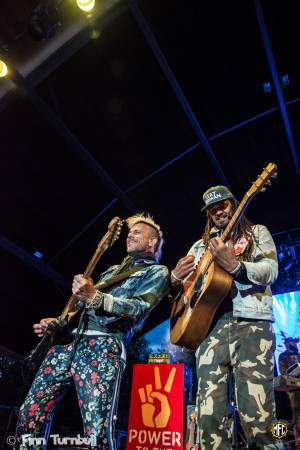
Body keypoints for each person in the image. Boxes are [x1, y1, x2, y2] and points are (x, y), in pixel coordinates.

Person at [15, 213, 169, 450]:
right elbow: (82, 307)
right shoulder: (111, 271)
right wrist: (58, 322)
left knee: (96, 429)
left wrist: (95, 296)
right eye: (129, 232)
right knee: (29, 415)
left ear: (152, 242)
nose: (130, 235)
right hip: (66, 344)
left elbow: (139, 307)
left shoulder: (157, 272)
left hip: (103, 346)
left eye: (137, 232)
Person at [170, 185, 279, 450]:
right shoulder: (198, 246)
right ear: (208, 214)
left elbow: (271, 270)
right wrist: (174, 279)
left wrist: (235, 266)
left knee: (259, 413)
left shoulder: (256, 232)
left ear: (235, 204)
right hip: (208, 330)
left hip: (251, 325)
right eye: (212, 208)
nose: (218, 210)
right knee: (208, 414)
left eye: (223, 204)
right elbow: (187, 288)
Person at [278, 337, 300, 449]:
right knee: (297, 415)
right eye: (292, 342)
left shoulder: (299, 355)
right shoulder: (283, 356)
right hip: (293, 389)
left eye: (295, 342)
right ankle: (298, 443)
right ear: (287, 343)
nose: (295, 344)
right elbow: (284, 373)